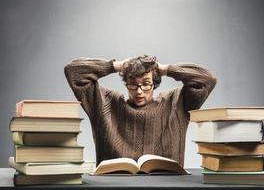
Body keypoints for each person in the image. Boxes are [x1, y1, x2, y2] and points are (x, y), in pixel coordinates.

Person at [64, 55, 216, 166]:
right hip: (114, 187)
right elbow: (73, 72)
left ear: (155, 84)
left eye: (146, 83)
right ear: (126, 84)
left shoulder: (175, 103)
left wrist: (164, 69)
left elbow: (207, 80)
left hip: (167, 186)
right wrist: (118, 66)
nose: (139, 91)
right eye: (132, 84)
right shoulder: (105, 103)